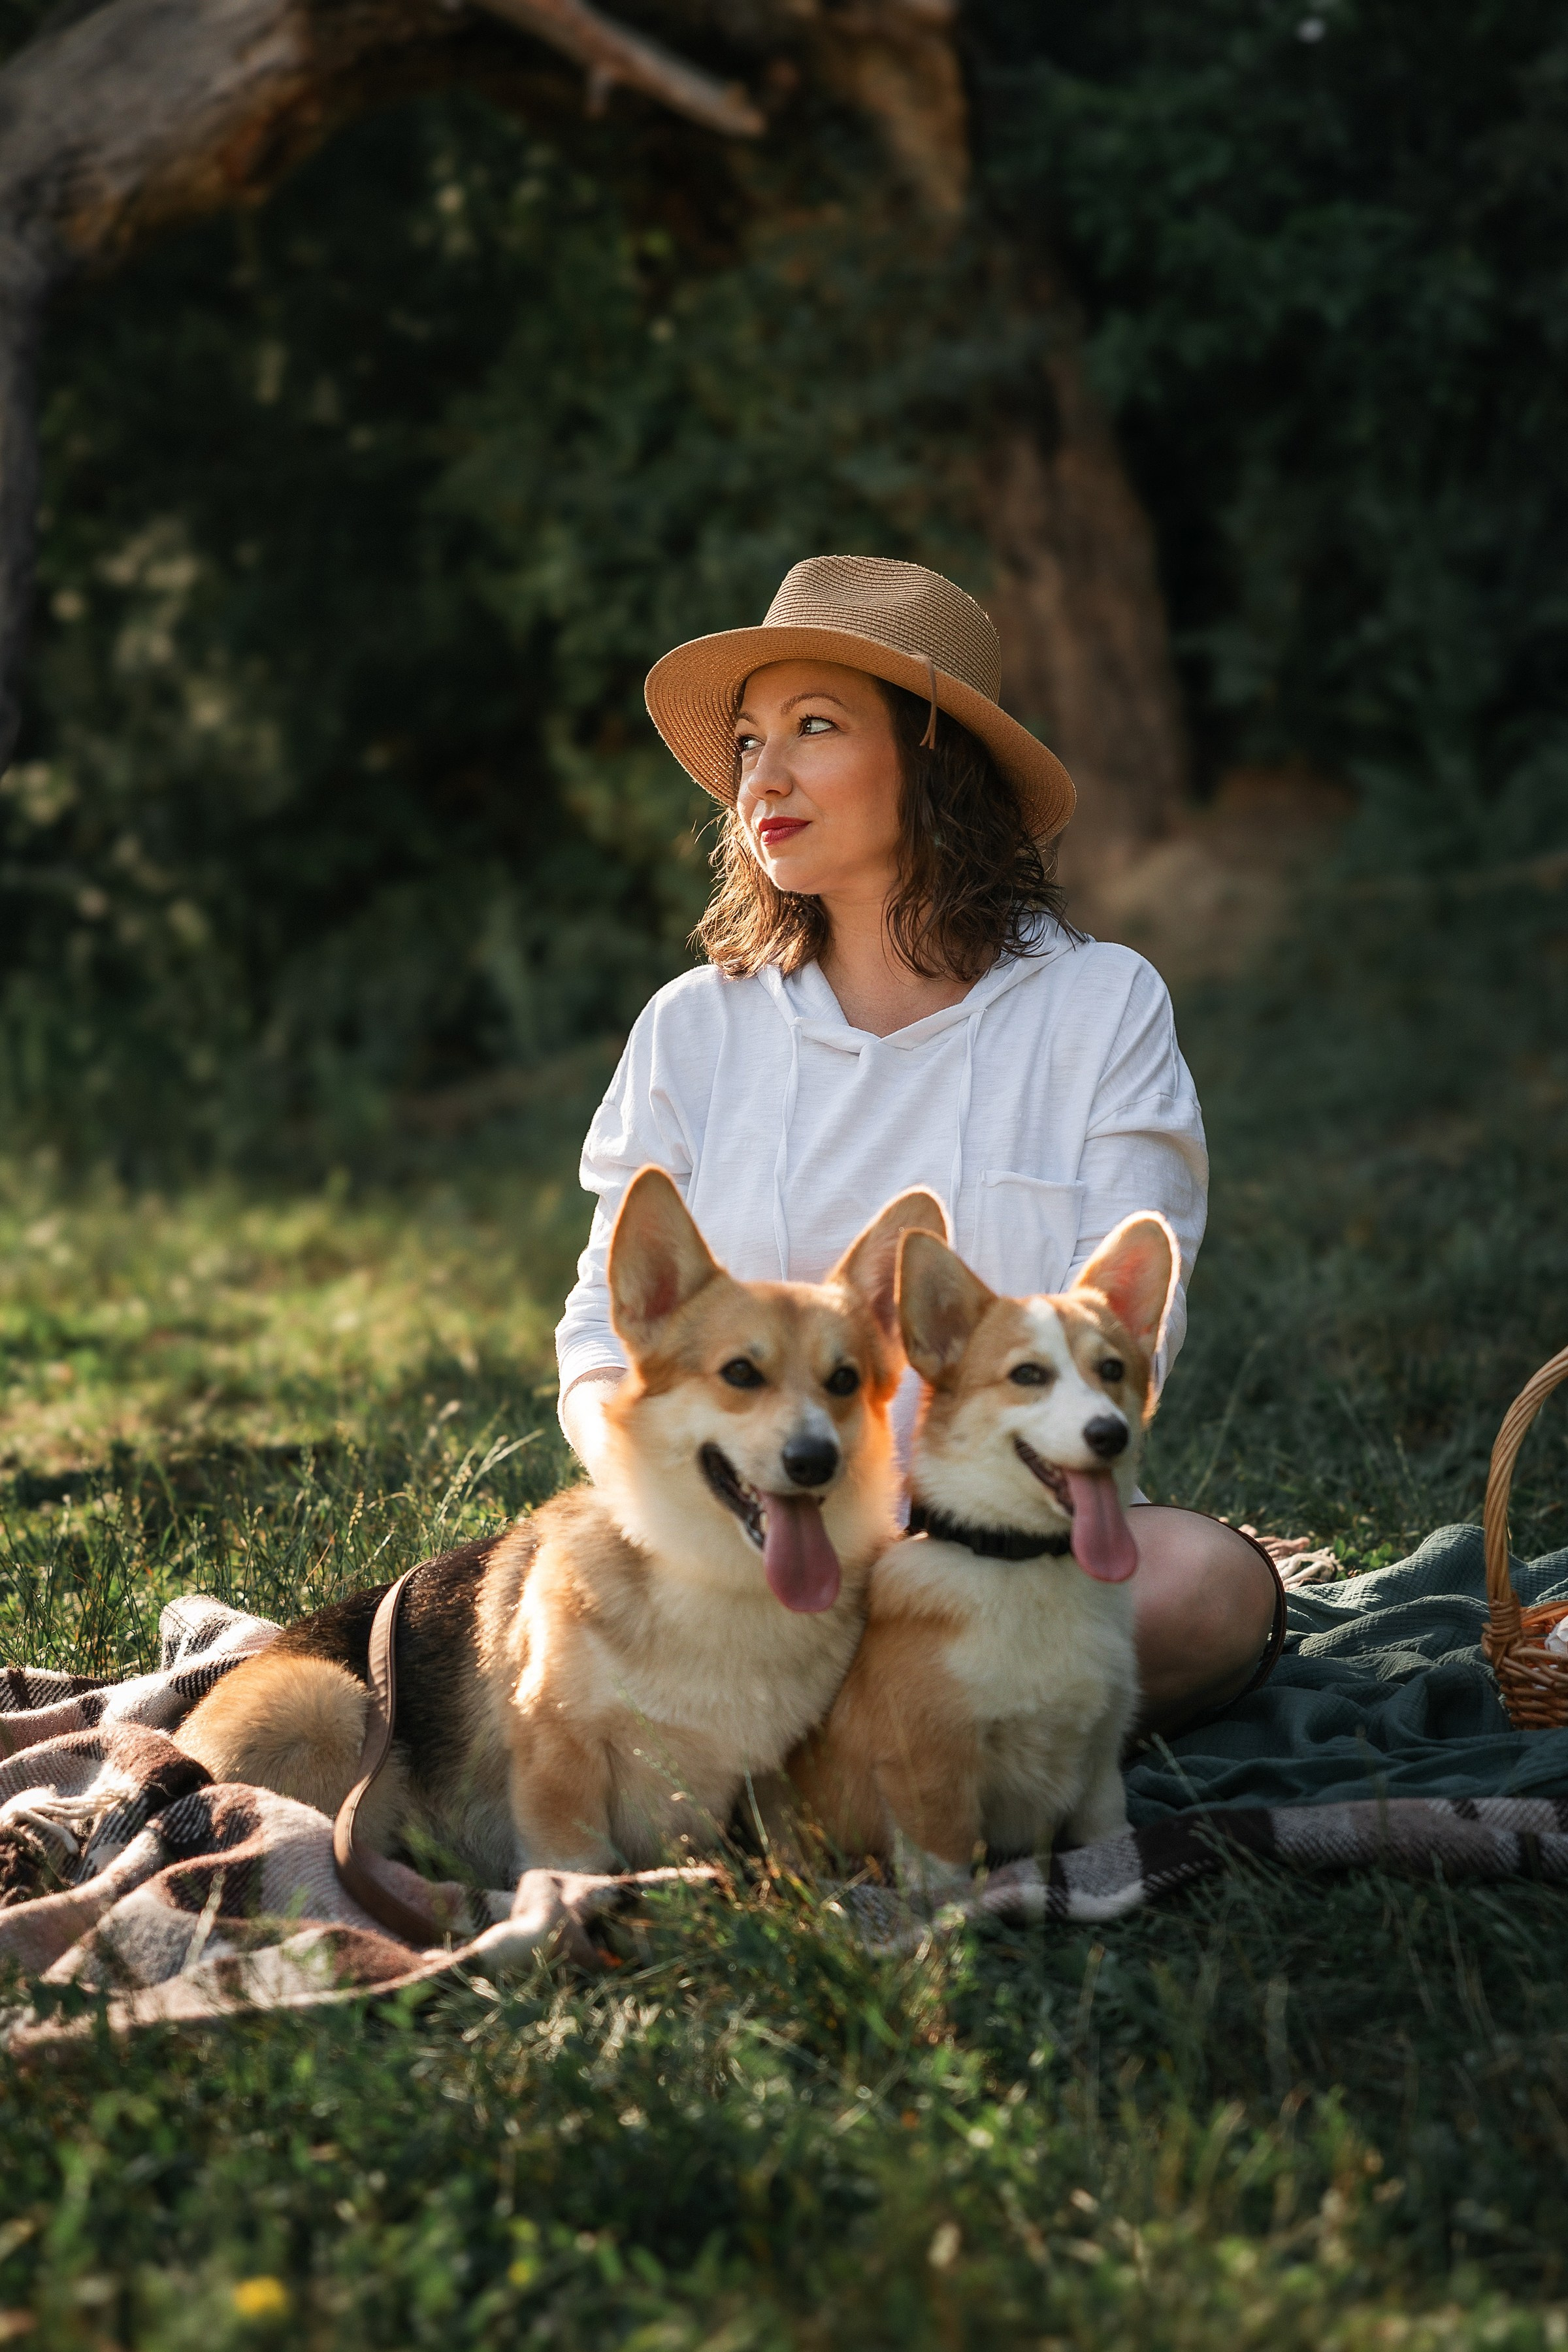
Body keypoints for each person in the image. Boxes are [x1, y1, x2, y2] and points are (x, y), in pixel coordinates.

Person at [555, 555, 1283, 1731]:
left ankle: (828, 1729)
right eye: (747, 741)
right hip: (736, 1551)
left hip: (988, 1550)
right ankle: (883, 1731)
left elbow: (1134, 1321)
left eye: (816, 727)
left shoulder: (1100, 1004)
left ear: (933, 757)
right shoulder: (695, 1026)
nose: (763, 775)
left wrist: (930, 1530)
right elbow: (601, 1325)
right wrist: (649, 1496)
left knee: (1211, 1593)